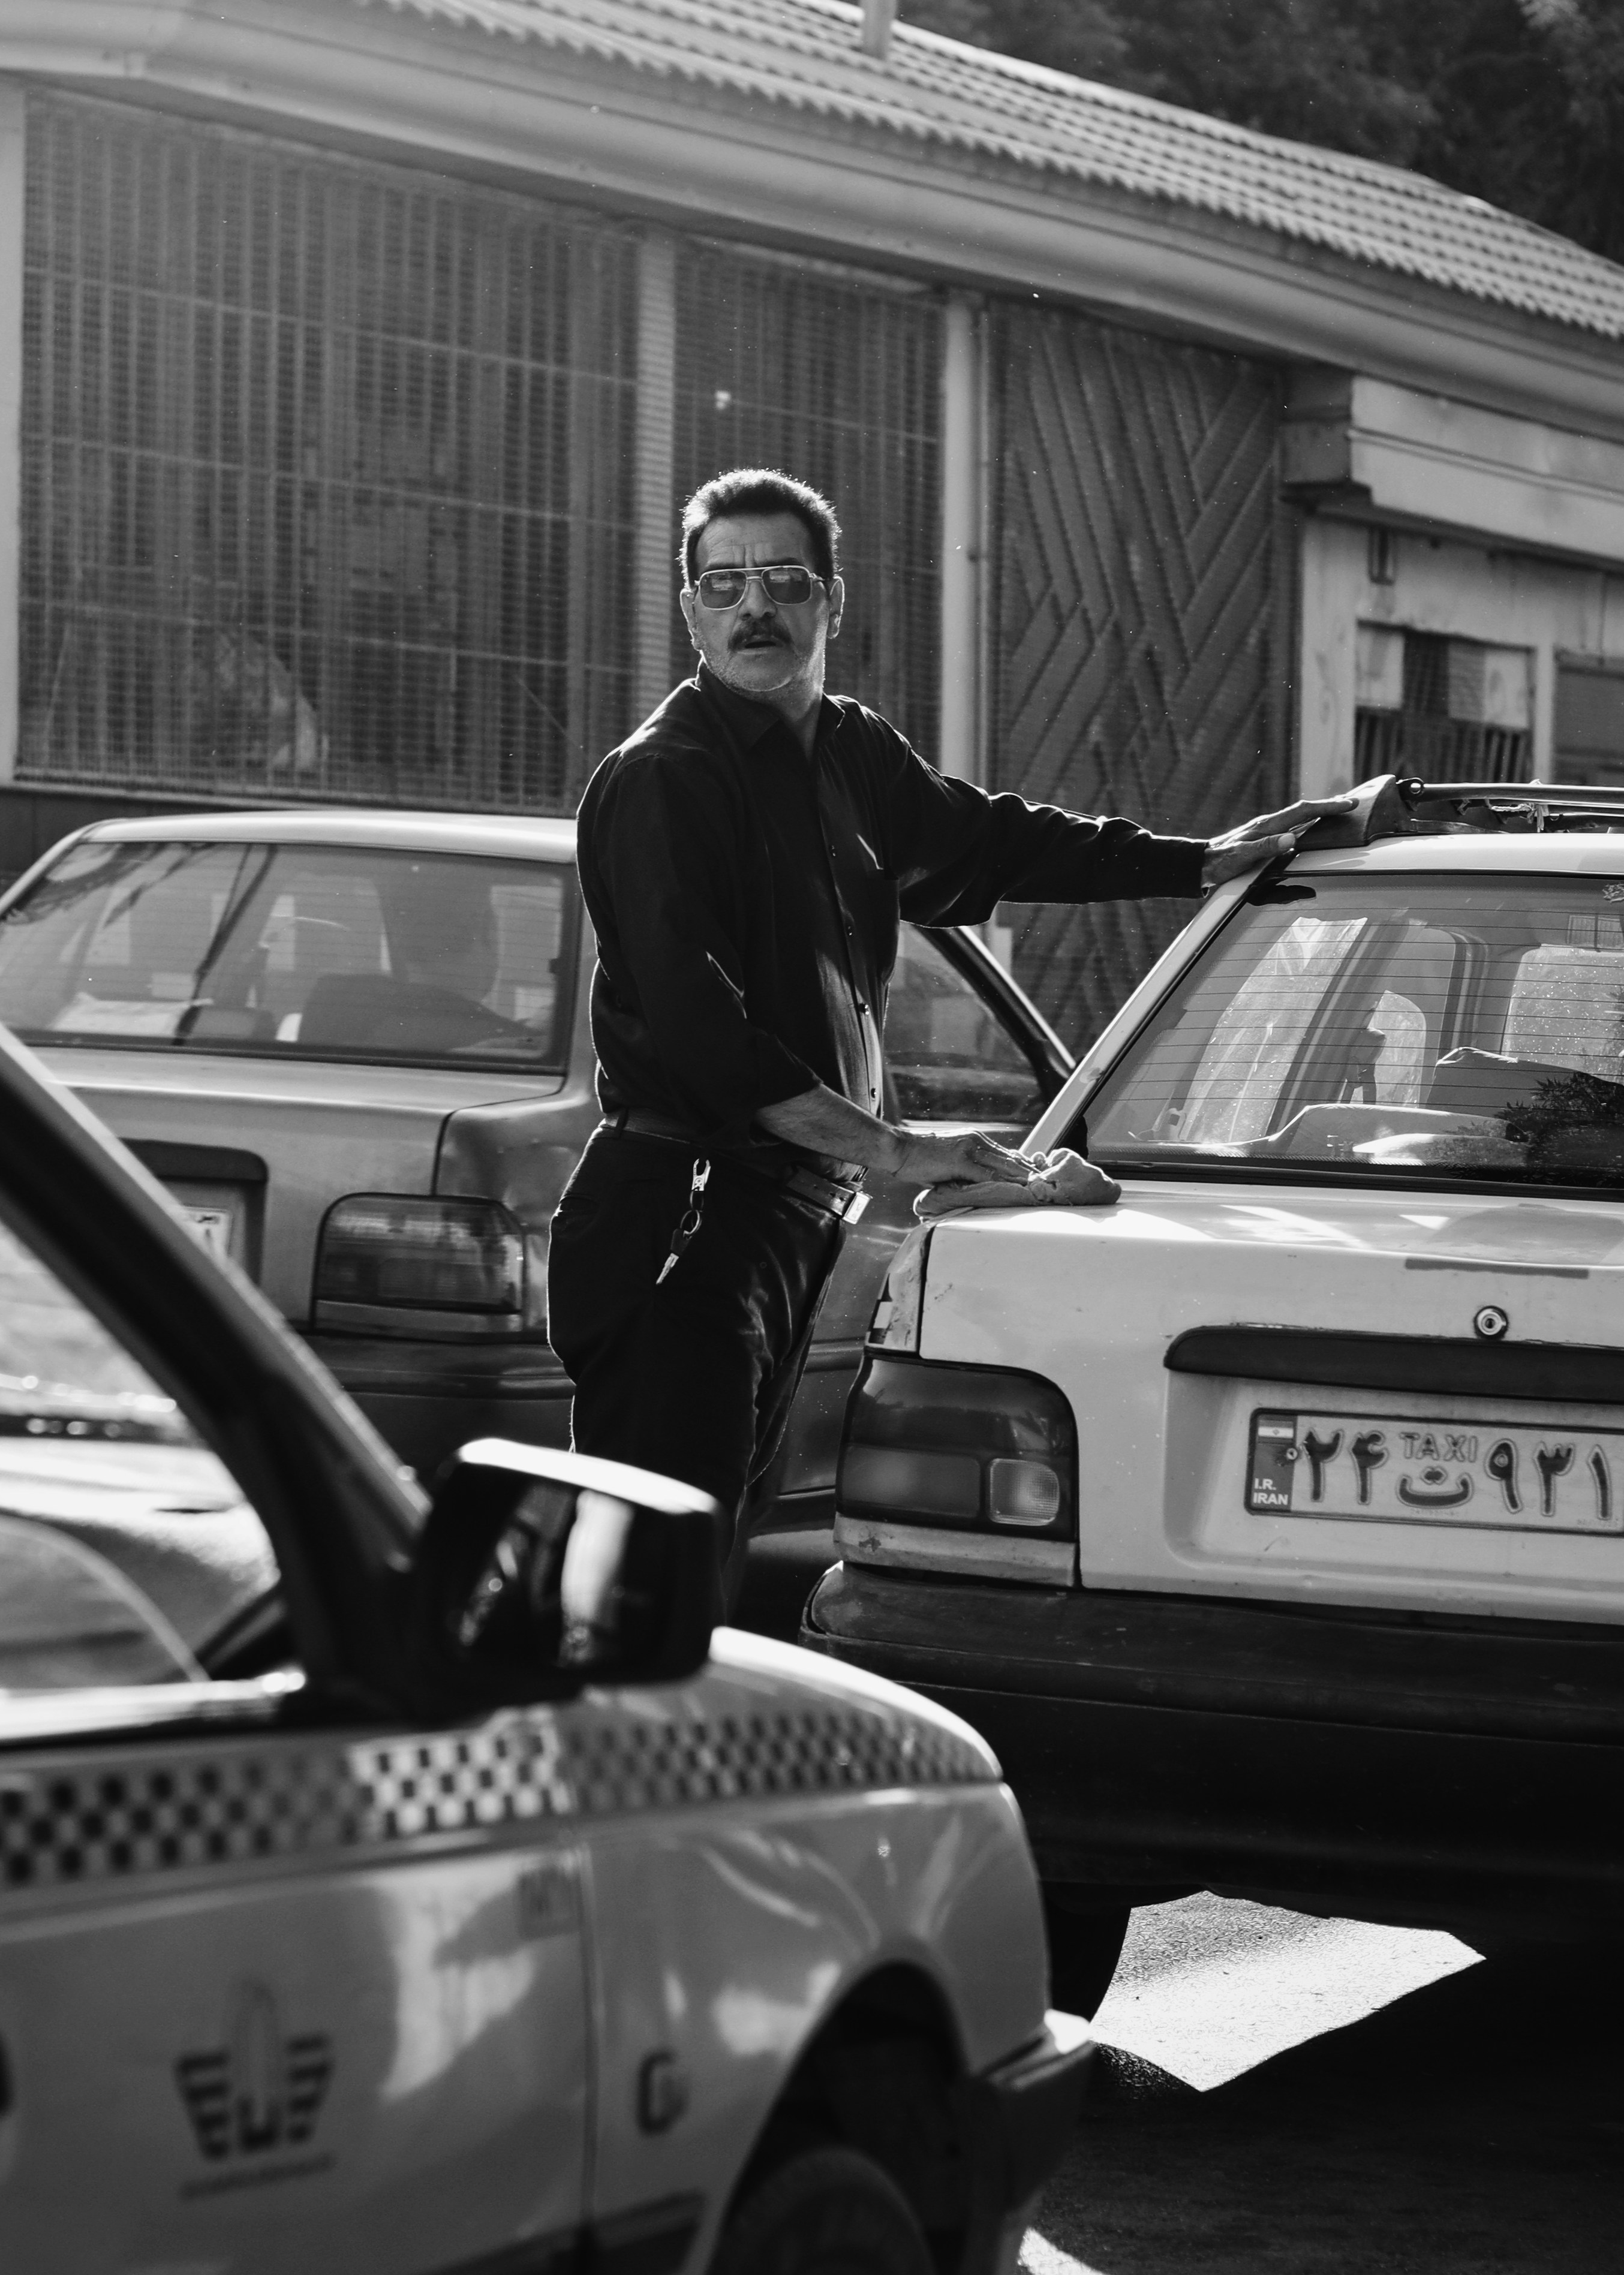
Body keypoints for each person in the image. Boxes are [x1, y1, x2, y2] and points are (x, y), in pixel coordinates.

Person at [548, 464, 1344, 1549]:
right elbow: (702, 1038)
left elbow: (997, 839)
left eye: (783, 579)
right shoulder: (662, 781)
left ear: (833, 599)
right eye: (724, 584)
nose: (755, 608)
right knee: (648, 1586)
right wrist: (897, 1149)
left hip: (786, 1221)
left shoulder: (851, 754)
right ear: (690, 611)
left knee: (707, 1575)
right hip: (680, 1223)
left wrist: (1199, 863)